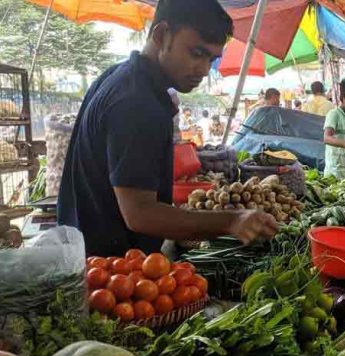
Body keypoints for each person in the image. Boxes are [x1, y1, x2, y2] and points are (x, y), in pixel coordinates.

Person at [57, 0, 277, 257]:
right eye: (197, 53)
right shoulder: (137, 102)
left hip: (85, 251)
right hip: (107, 267)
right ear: (161, 35)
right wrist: (232, 220)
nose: (205, 70)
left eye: (212, 59)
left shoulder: (119, 77)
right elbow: (140, 215)